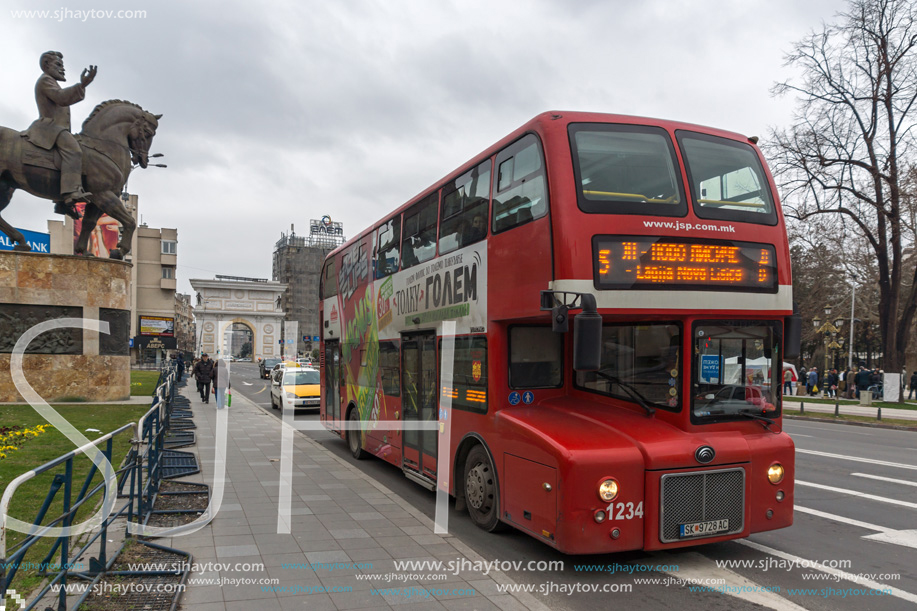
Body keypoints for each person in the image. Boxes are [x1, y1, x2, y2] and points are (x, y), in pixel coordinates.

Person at [25, 51, 97, 217]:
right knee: (74, 151)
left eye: (63, 66)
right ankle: (72, 193)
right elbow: (61, 98)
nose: (62, 69)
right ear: (46, 65)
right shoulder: (45, 80)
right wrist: (82, 85)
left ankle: (60, 203)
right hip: (49, 128)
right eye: (58, 65)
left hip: (57, 129)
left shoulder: (51, 82)